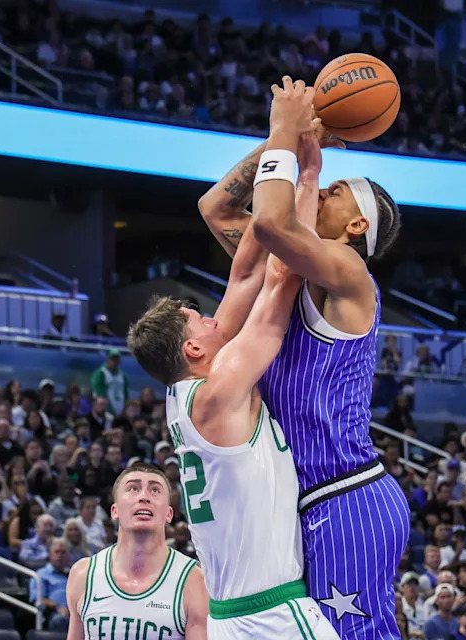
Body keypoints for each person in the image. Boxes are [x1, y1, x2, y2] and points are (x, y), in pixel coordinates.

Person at [199, 75, 405, 637]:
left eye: (336, 193)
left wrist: (286, 130)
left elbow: (270, 219)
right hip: (302, 504)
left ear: (357, 226)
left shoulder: (350, 274)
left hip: (346, 497)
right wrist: (281, 144)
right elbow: (217, 208)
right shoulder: (285, 271)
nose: (324, 191)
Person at [126, 124, 337, 638]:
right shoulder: (218, 393)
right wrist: (304, 167)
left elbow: (245, 275)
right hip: (272, 615)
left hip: (229, 617)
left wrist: (288, 140)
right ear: (193, 348)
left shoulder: (194, 392)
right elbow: (283, 276)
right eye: (198, 317)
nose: (212, 317)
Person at [64, 465, 208, 640]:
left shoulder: (194, 581)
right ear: (114, 511)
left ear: (169, 514)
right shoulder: (83, 574)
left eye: (155, 490)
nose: (144, 496)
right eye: (133, 488)